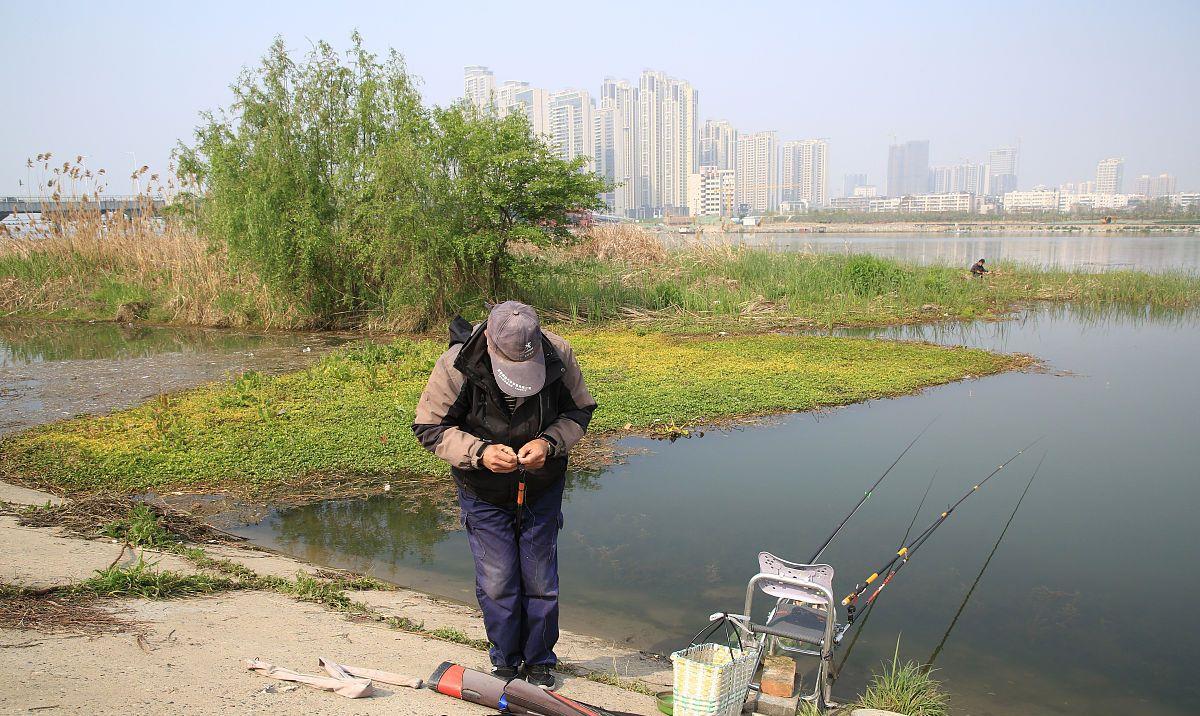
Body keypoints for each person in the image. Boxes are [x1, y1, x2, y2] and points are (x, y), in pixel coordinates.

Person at [412, 301, 596, 689]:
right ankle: (506, 662)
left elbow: (578, 412)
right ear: (491, 345)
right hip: (483, 492)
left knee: (541, 580)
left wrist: (549, 442)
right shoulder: (456, 364)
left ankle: (540, 661)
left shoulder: (559, 354)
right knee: (498, 581)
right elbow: (430, 427)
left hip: (541, 486)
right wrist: (479, 453)